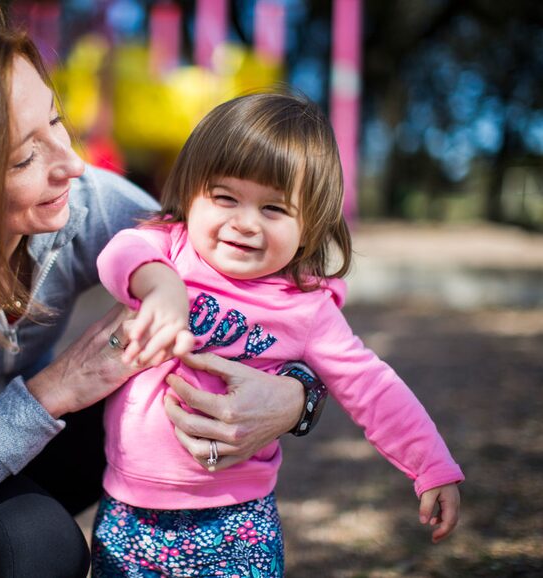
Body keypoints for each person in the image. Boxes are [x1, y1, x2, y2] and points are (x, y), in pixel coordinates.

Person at [0, 7, 315, 578]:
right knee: (38, 552)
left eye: (57, 121)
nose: (70, 163)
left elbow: (262, 291)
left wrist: (295, 398)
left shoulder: (86, 200)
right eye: (24, 156)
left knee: (170, 390)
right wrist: (51, 392)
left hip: (32, 452)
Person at [92, 91, 465, 577]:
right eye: (225, 197)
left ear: (309, 228)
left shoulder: (307, 308)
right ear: (191, 195)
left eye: (273, 209)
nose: (244, 223)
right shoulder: (170, 248)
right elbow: (120, 253)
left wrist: (430, 466)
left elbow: (372, 387)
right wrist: (161, 287)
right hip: (128, 509)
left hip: (238, 518)